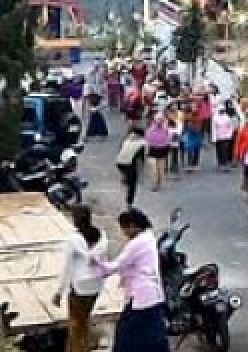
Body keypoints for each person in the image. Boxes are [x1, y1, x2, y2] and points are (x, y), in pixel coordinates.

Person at [90, 208, 168, 352]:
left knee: (127, 336)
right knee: (151, 332)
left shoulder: (137, 244)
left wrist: (95, 261)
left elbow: (115, 266)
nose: (124, 233)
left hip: (142, 298)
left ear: (132, 226)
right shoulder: (148, 238)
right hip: (151, 296)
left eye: (124, 229)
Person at [53, 205, 108, 352]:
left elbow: (67, 267)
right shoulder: (102, 235)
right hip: (96, 285)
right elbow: (103, 259)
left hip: (80, 287)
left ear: (75, 220)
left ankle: (78, 348)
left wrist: (59, 291)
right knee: (85, 318)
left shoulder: (73, 239)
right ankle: (82, 345)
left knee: (75, 324)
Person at [114, 126, 148, 207]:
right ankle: (129, 203)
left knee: (127, 174)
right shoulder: (142, 143)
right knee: (133, 184)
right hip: (129, 163)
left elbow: (120, 150)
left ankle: (126, 178)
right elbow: (142, 157)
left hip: (119, 162)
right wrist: (143, 167)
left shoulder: (126, 139)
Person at [144, 113, 171, 192]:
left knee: (160, 168)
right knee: (153, 169)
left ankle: (159, 182)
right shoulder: (150, 129)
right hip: (152, 150)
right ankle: (154, 184)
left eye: (161, 119)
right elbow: (147, 139)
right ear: (155, 120)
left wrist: (165, 143)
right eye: (158, 119)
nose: (159, 121)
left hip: (162, 150)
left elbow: (169, 138)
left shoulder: (165, 129)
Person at [212, 103, 237, 171]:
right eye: (220, 110)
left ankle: (225, 164)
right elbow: (214, 129)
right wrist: (214, 138)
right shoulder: (215, 118)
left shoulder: (227, 118)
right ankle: (220, 163)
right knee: (219, 150)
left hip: (226, 137)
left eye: (223, 110)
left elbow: (231, 127)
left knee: (225, 150)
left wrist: (230, 135)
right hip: (218, 137)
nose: (222, 111)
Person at [182, 108, 204, 172]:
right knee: (194, 150)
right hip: (194, 136)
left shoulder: (192, 119)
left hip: (193, 136)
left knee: (192, 150)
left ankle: (192, 164)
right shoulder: (197, 119)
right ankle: (193, 163)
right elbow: (200, 129)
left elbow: (186, 128)